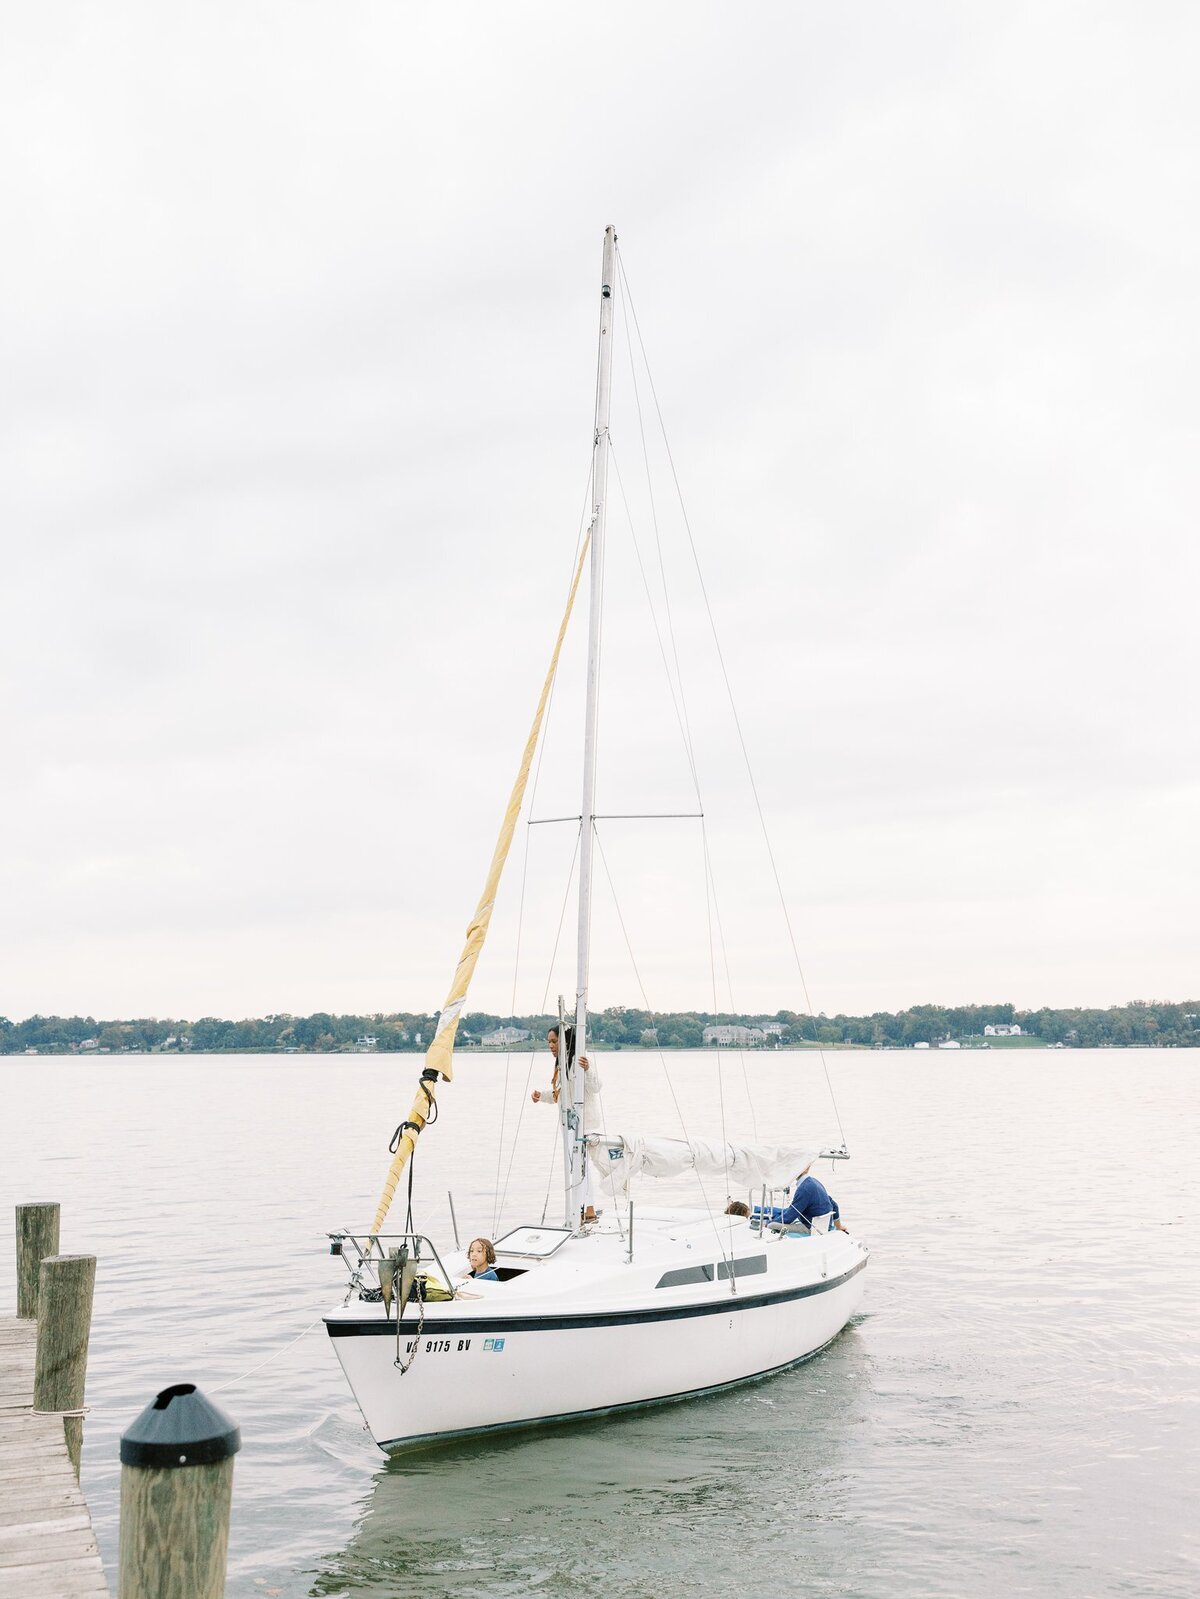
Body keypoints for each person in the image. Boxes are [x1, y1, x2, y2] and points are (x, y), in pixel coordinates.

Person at [532, 1023, 603, 1222]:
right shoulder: (560, 1064)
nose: (551, 1046)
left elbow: (596, 1086)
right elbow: (561, 1095)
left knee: (581, 1166)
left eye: (554, 1042)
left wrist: (587, 1069)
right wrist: (541, 1096)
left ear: (565, 1042)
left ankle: (589, 1209)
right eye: (549, 1043)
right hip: (569, 1124)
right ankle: (581, 1207)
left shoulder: (579, 1060)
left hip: (584, 1123)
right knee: (575, 1167)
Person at [781, 1164, 847, 1232]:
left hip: (810, 1228)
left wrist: (771, 1222)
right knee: (779, 1211)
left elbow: (789, 1217)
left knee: (772, 1224)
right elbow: (834, 1205)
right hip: (825, 1225)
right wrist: (839, 1227)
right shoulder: (814, 1182)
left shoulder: (804, 1188)